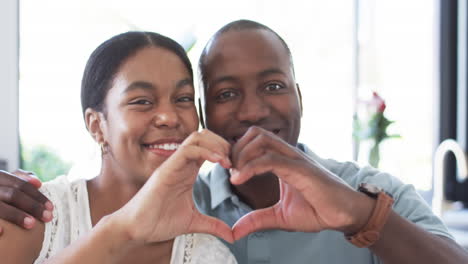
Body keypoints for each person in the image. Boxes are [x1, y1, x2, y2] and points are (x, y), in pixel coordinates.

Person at [2, 20, 468, 263]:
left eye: (273, 86)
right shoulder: (185, 208)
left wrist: (361, 215)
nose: (251, 111)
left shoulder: (367, 191)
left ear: (299, 96)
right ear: (204, 114)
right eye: (226, 94)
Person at [0, 31, 238, 264]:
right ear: (97, 125)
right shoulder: (33, 212)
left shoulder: (210, 255)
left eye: (183, 98)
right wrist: (123, 230)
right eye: (142, 101)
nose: (169, 117)